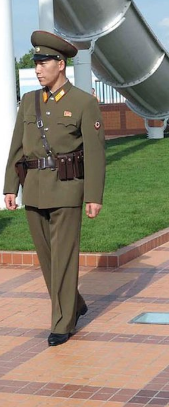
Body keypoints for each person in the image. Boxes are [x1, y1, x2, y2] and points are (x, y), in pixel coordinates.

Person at [3, 31, 106, 347]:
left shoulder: (83, 103)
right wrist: (10, 186)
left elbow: (95, 152)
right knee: (47, 260)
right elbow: (17, 147)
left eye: (43, 62)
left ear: (60, 64)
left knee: (63, 257)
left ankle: (62, 323)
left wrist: (93, 195)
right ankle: (73, 303)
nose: (37, 69)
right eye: (35, 63)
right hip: (33, 189)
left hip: (66, 189)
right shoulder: (29, 101)